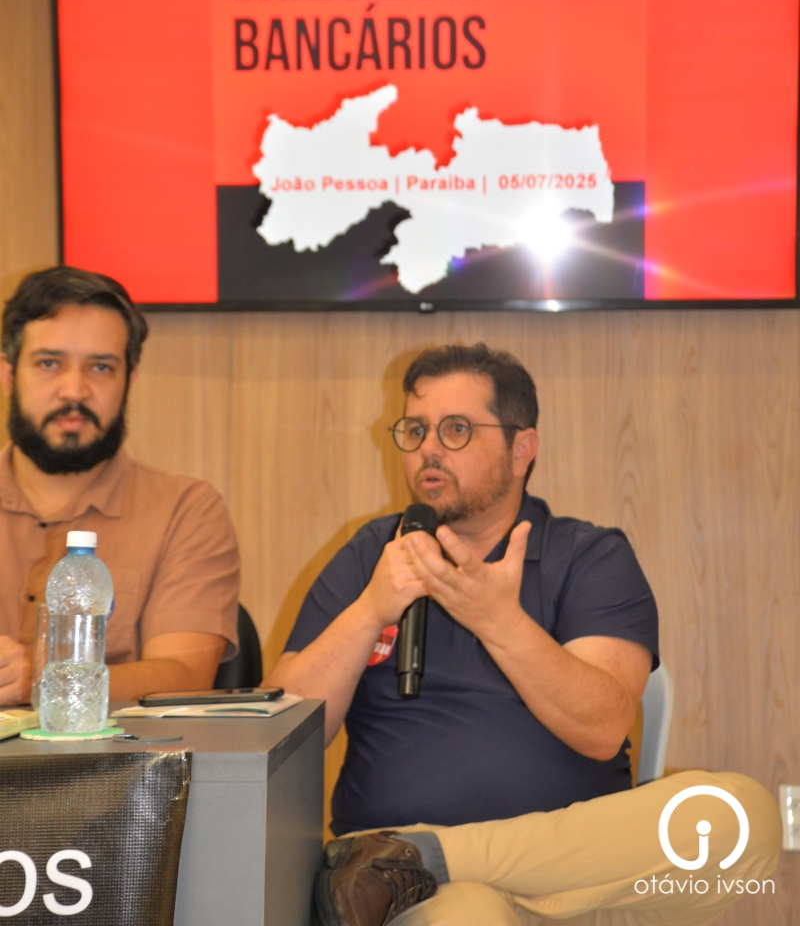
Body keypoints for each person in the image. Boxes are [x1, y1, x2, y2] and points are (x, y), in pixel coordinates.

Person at [267, 343, 780, 926]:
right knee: (471, 918)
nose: (428, 448)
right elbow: (281, 737)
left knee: (740, 818)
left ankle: (421, 856)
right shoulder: (371, 556)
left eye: (456, 429)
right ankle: (414, 866)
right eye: (415, 429)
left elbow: (603, 728)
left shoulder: (588, 557)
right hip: (419, 899)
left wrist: (498, 620)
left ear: (521, 449)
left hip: (572, 870)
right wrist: (369, 610)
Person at [0, 266, 240, 706]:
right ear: (9, 374)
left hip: (114, 753)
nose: (75, 391)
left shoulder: (186, 510)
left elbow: (186, 675)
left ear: (129, 379)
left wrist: (43, 677)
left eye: (101, 367)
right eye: (49, 363)